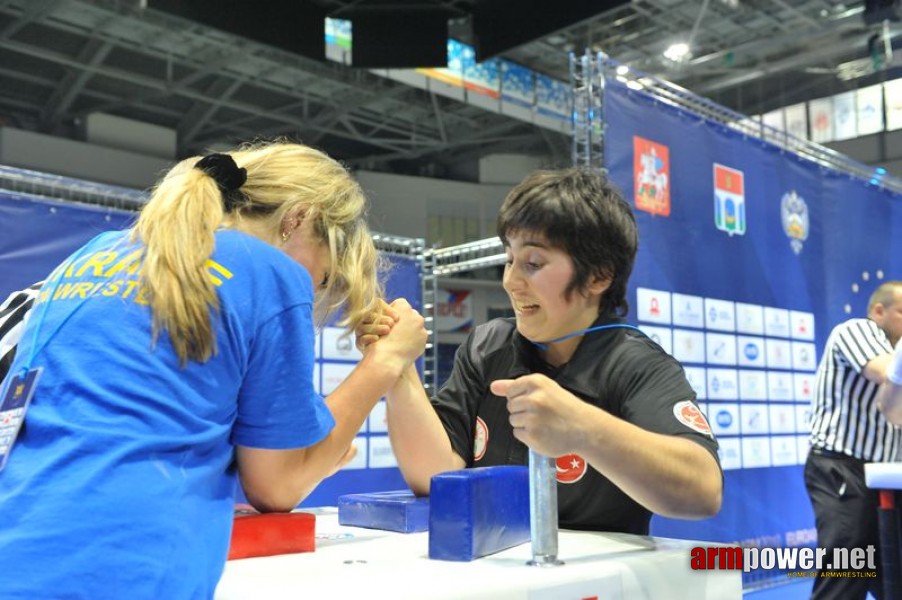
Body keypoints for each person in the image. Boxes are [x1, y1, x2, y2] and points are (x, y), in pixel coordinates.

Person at [0, 141, 426, 599]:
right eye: (323, 276)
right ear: (298, 219)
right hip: (130, 564)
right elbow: (277, 486)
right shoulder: (270, 272)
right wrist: (385, 362)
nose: (314, 288)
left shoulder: (93, 255)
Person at [359, 167, 723, 534]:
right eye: (508, 260)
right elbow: (437, 476)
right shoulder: (488, 347)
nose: (511, 282)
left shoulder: (636, 364)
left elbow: (704, 491)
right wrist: (397, 367)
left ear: (598, 275)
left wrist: (583, 429)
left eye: (532, 264)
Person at [806, 280, 902, 600]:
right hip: (842, 469)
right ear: (880, 311)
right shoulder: (856, 330)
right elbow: (884, 370)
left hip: (887, 479)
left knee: (894, 579)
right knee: (847, 573)